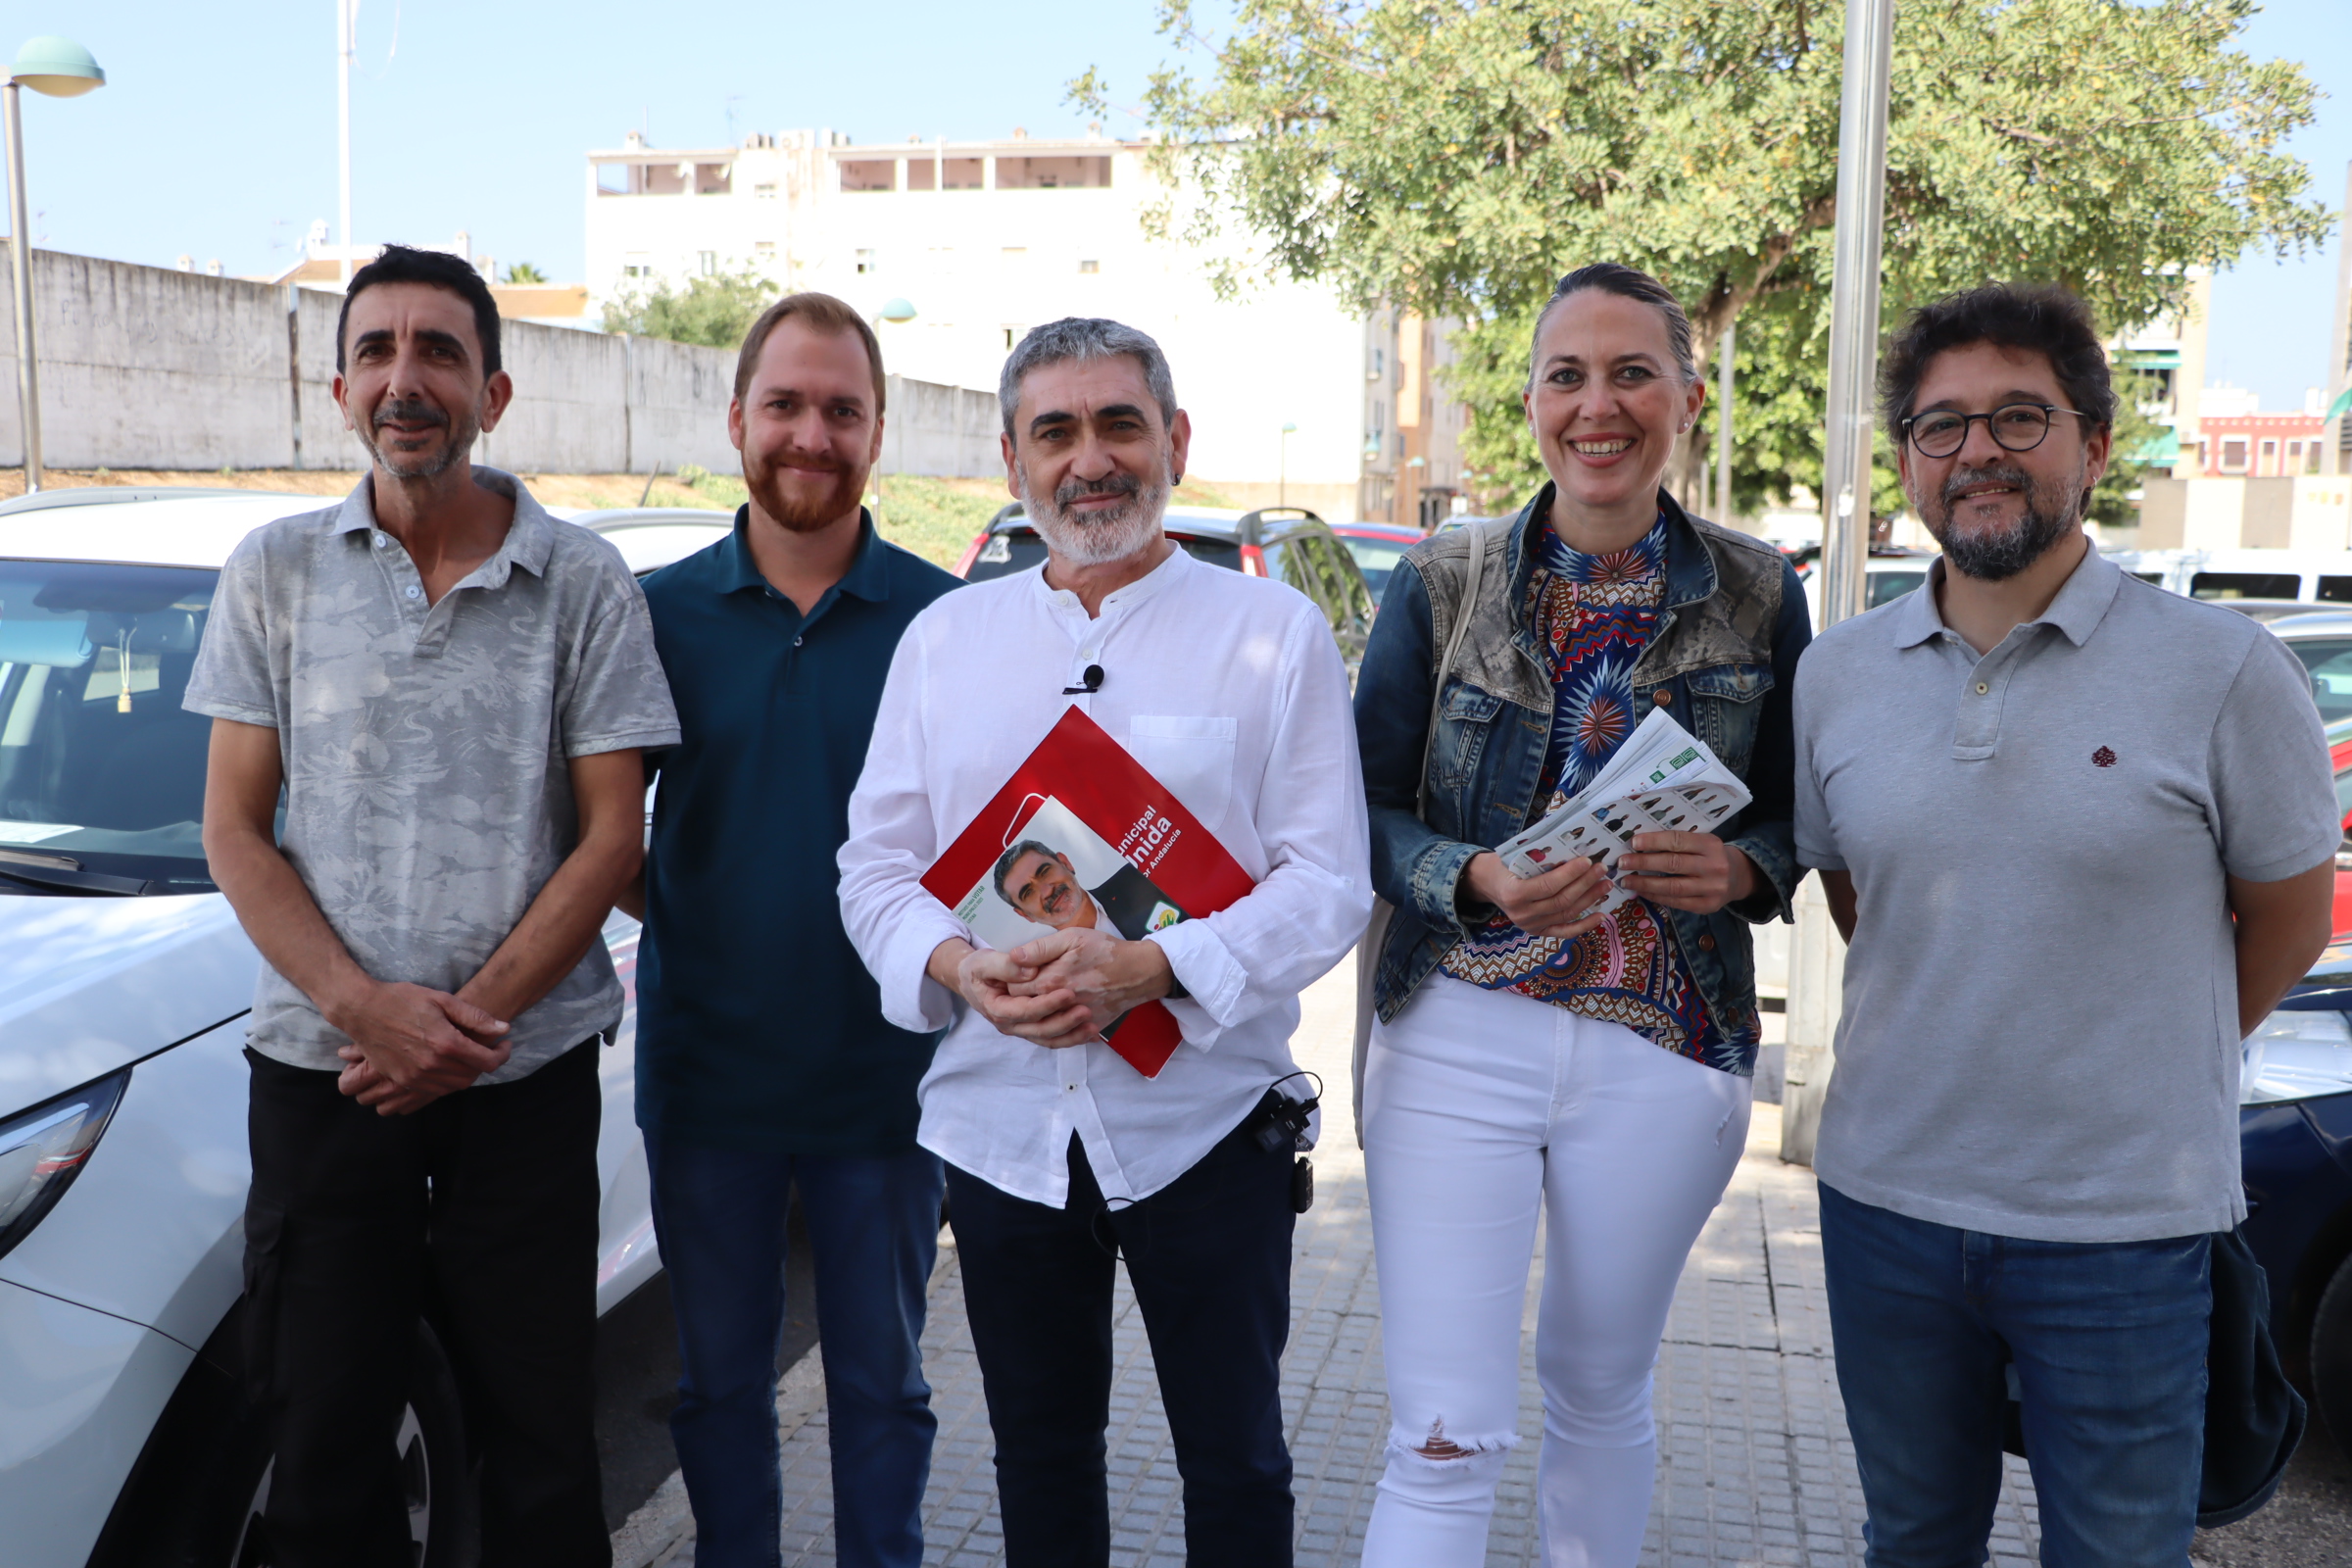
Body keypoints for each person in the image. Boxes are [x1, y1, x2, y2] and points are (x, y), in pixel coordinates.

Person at [1793, 282, 2338, 1564]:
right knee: (1913, 1540)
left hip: (2125, 1228)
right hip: (1888, 1209)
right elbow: (1857, 896)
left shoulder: (2224, 672)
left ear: (2093, 446)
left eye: (2019, 416)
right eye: (1940, 426)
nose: (1976, 449)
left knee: (2117, 1553)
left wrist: (2131, 1057)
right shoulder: (1836, 673)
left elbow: (2288, 924)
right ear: (1910, 466)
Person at [838, 317, 1370, 1567]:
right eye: (1057, 432)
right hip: (1000, 1129)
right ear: (1012, 460)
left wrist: (1155, 965)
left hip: (1207, 1126)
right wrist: (958, 964)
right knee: (1038, 1458)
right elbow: (873, 865)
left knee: (1236, 1463)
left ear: (1175, 440)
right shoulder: (944, 643)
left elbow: (1330, 880)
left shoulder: (1272, 635)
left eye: (1121, 424)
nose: (1093, 461)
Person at [187, 244, 680, 1567]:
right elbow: (234, 828)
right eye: (379, 351)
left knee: (538, 1444)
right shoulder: (273, 570)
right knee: (322, 1440)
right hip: (323, 1078)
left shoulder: (582, 581)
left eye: (440, 352)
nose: (407, 378)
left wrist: (463, 1025)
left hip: (520, 1084)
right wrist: (367, 1013)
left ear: (495, 393)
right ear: (339, 387)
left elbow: (607, 834)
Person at [1350, 262, 1810, 1566]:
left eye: (1630, 373)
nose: (1596, 405)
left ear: (1687, 397)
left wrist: (1745, 871)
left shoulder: (1760, 591)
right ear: (1534, 402)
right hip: (1455, 1030)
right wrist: (1472, 877)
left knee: (1599, 1391)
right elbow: (1361, 805)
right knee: (1442, 1430)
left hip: (1667, 1047)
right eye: (1567, 375)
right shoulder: (1445, 579)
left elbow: (1798, 814)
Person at [618, 293, 961, 1568]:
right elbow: (602, 834)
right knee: (716, 1394)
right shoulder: (652, 613)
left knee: (884, 1393)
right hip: (709, 1080)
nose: (811, 433)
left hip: (891, 1086)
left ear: (878, 432)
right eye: (786, 404)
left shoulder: (947, 621)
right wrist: (706, 921)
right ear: (736, 422)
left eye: (841, 409)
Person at [993, 839, 1183, 938]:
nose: (1047, 891)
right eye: (1028, 892)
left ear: (1066, 863)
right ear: (1024, 914)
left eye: (1044, 872)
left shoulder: (1139, 880)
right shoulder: (1055, 979)